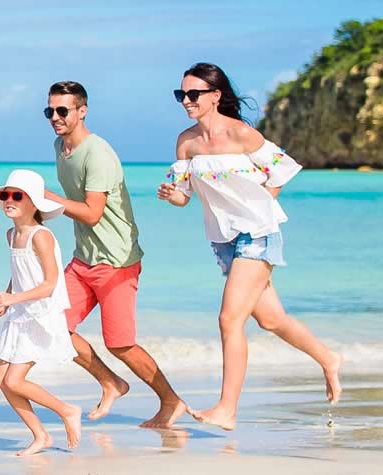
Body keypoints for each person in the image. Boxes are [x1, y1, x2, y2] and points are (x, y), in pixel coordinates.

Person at [157, 63, 343, 431]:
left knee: (229, 319)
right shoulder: (186, 141)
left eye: (193, 94)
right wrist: (170, 195)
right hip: (223, 239)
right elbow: (183, 197)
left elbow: (282, 171)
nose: (186, 101)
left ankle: (227, 408)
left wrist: (261, 206)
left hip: (257, 232)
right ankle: (328, 358)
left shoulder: (242, 134)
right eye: (181, 95)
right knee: (271, 319)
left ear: (215, 95)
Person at [38, 81, 186, 428]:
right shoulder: (60, 146)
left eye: (63, 111)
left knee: (120, 344)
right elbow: (72, 206)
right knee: (54, 326)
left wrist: (47, 197)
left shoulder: (98, 153)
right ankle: (111, 382)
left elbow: (91, 212)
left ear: (82, 111)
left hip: (117, 260)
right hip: (83, 259)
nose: (55, 118)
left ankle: (171, 400)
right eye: (50, 111)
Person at [0, 169, 84, 456]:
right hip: (18, 313)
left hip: (38, 314)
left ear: (34, 203)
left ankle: (68, 410)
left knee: (15, 380)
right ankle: (41, 435)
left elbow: (50, 285)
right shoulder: (11, 233)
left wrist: (12, 299)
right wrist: (4, 303)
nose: (8, 200)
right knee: (1, 380)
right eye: (5, 195)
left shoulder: (42, 236)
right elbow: (19, 273)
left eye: (17, 196)